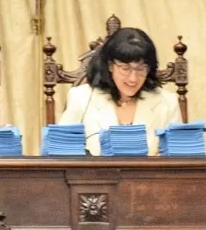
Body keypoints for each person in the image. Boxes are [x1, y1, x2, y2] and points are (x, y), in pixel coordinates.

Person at [59, 27, 182, 156]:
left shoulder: (167, 102)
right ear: (110, 66)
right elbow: (62, 151)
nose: (133, 78)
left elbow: (175, 160)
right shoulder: (81, 98)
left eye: (141, 69)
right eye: (125, 68)